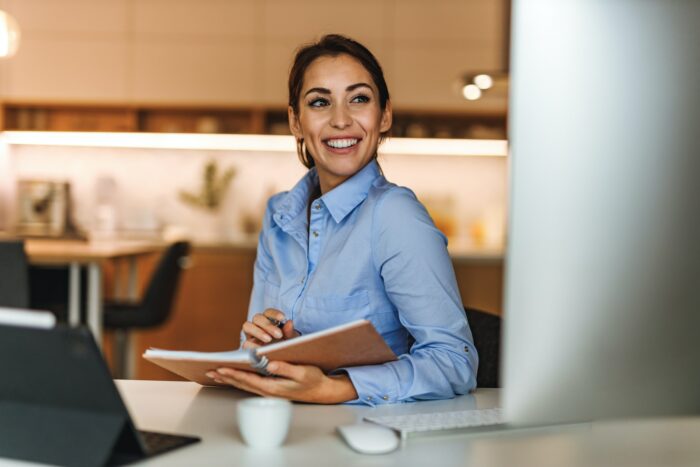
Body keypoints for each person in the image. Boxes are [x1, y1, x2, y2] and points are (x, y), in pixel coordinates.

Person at [206, 34, 478, 405]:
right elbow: (254, 350)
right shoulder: (279, 216)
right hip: (289, 427)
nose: (340, 119)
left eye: (359, 99)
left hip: (372, 438)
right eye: (320, 102)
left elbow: (454, 363)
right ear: (296, 122)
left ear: (384, 115)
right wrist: (270, 347)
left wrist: (334, 388)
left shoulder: (395, 216)